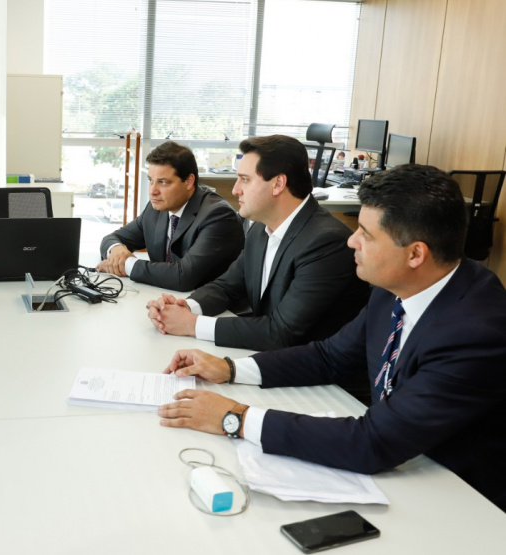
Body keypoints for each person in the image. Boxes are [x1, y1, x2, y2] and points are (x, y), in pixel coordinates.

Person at [157, 164, 506, 511]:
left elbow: (374, 443)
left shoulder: (476, 332)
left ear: (415, 254)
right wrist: (229, 368)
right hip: (406, 466)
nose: (351, 239)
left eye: (366, 235)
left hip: (461, 498)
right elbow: (329, 356)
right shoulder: (395, 286)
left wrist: (236, 418)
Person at [147, 135, 369, 353]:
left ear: (278, 184)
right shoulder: (260, 230)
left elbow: (281, 332)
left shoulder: (325, 242)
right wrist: (185, 307)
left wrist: (191, 324)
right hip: (272, 362)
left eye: (245, 179)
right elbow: (227, 287)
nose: (235, 190)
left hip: (320, 382)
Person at [97, 141, 244, 291]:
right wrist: (117, 251)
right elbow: (111, 239)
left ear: (188, 181)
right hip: (164, 298)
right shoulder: (156, 208)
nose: (153, 191)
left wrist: (127, 264)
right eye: (150, 181)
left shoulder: (218, 216)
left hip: (212, 309)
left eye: (163, 182)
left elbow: (183, 277)